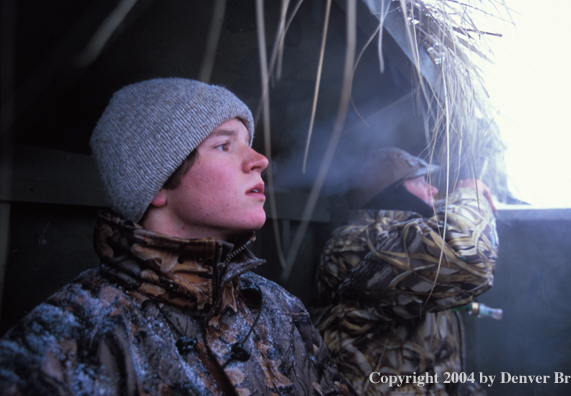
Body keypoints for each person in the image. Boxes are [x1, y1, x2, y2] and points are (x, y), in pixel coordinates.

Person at [0, 78, 355, 395]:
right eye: (224, 146)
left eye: (249, 142)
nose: (259, 159)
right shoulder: (62, 345)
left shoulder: (279, 306)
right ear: (156, 182)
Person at [311, 147, 498, 395]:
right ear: (390, 193)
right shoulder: (350, 244)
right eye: (421, 181)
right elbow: (464, 255)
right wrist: (468, 195)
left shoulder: (413, 236)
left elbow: (482, 253)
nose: (434, 190)